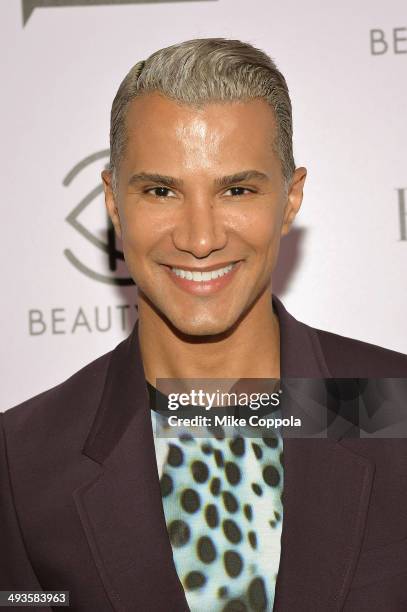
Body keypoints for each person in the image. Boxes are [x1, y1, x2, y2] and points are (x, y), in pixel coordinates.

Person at [1, 38, 407, 612]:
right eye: (161, 191)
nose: (199, 239)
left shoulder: (395, 410)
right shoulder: (22, 461)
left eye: (237, 189)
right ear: (115, 205)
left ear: (290, 201)